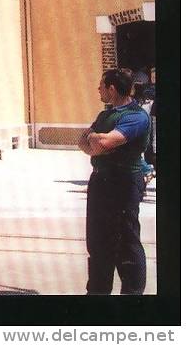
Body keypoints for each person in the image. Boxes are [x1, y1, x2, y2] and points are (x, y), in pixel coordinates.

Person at [78, 68, 151, 295]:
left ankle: (132, 294)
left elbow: (102, 144)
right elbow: (82, 143)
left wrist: (95, 140)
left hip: (124, 183)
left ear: (111, 88)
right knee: (98, 240)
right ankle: (98, 293)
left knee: (126, 240)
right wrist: (95, 140)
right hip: (100, 182)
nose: (98, 89)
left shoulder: (136, 116)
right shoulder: (104, 115)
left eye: (101, 86)